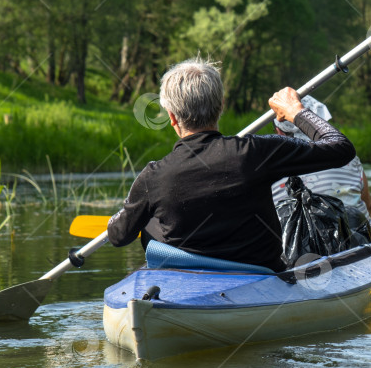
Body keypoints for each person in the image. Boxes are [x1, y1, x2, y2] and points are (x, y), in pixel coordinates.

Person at [107, 58, 356, 272]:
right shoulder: (256, 151)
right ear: (221, 106)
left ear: (171, 117)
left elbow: (118, 236)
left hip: (188, 277)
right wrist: (296, 111)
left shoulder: (153, 176)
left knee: (151, 223)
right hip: (259, 275)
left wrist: (140, 210)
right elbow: (340, 148)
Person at [270, 96, 371, 230]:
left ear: (279, 132)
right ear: (324, 125)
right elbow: (369, 207)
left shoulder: (266, 164)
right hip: (356, 239)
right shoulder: (349, 156)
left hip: (294, 244)